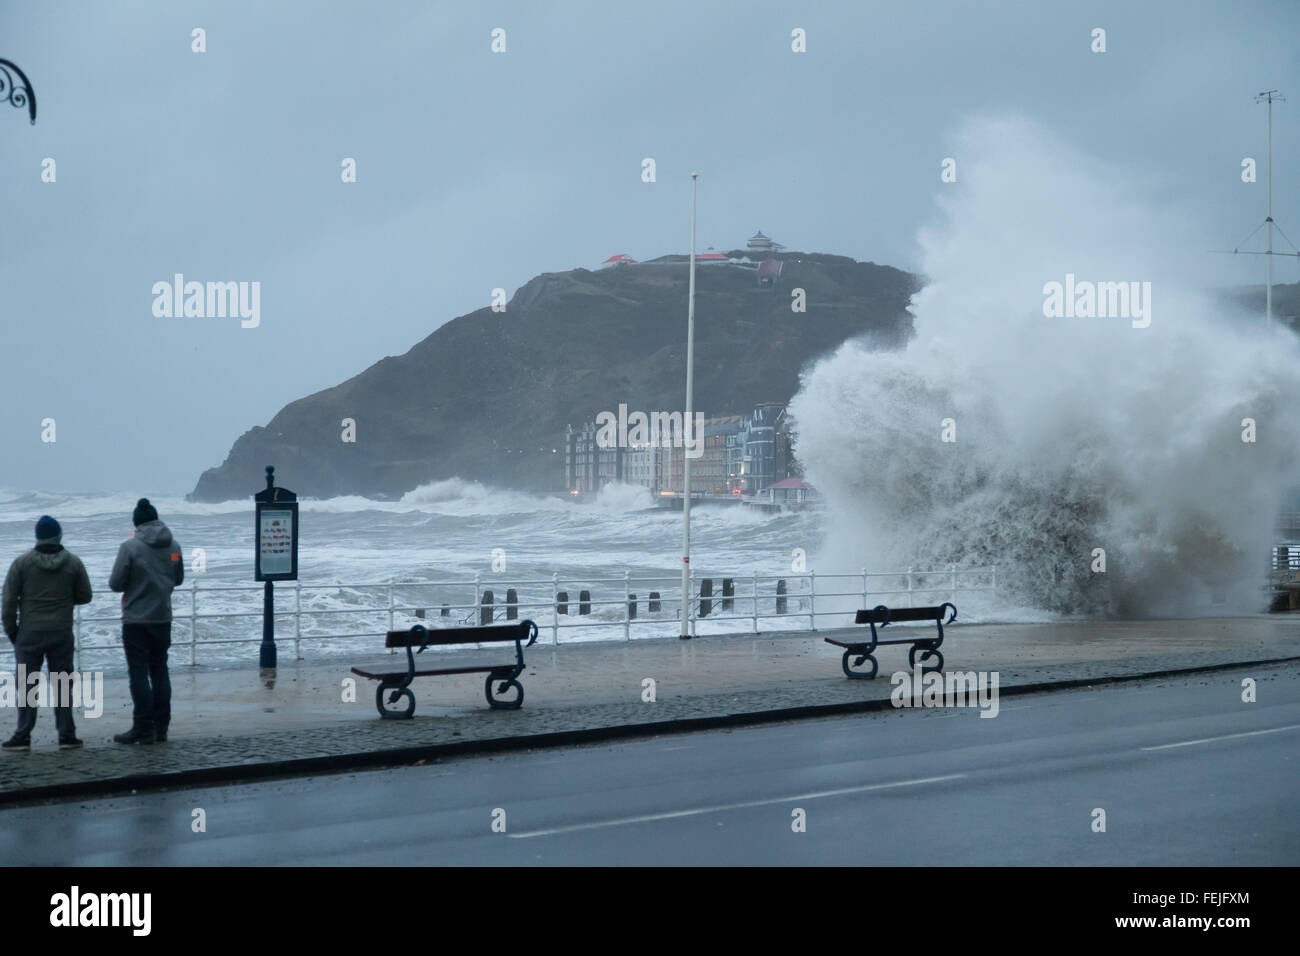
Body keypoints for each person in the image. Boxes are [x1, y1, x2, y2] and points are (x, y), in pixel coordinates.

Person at [1, 515, 93, 751]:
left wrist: (14, 634)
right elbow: (85, 595)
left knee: (28, 686)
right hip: (61, 631)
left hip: (29, 633)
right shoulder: (73, 562)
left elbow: (9, 602)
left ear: (38, 537)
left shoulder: (21, 564)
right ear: (59, 535)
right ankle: (66, 735)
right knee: (62, 684)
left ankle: (22, 735)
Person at [109, 498, 183, 745]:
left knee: (139, 674)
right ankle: (162, 727)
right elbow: (179, 578)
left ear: (137, 523)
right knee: (160, 671)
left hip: (136, 620)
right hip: (163, 617)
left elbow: (116, 583)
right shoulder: (174, 546)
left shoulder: (130, 547)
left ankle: (142, 727)